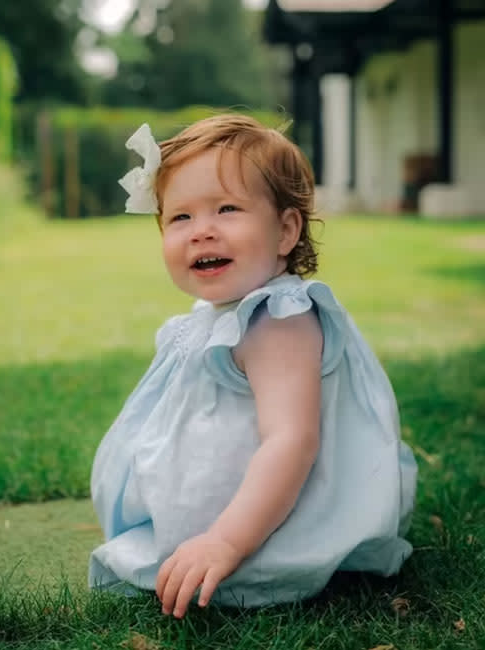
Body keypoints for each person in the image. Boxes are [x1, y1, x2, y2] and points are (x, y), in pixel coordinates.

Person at [89, 114, 417, 619]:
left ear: (285, 230)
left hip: (262, 523)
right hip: (235, 511)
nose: (202, 232)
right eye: (180, 218)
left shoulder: (278, 319)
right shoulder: (216, 316)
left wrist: (224, 541)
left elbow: (292, 440)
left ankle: (238, 553)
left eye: (226, 209)